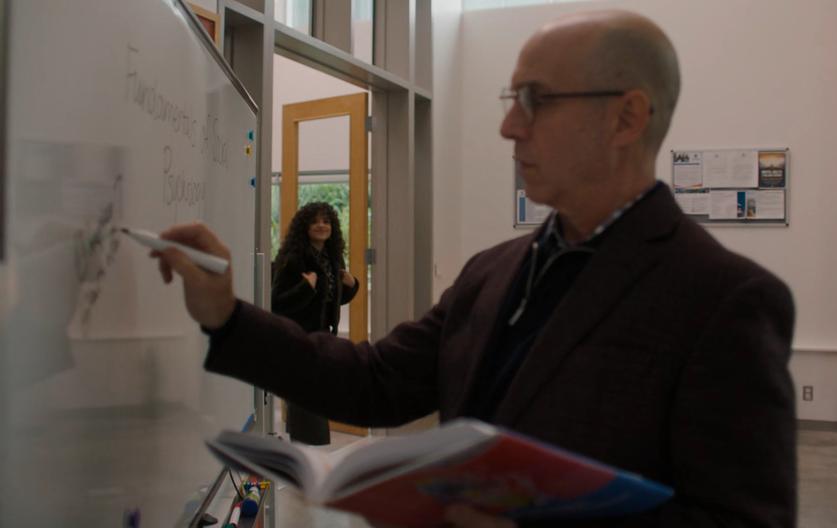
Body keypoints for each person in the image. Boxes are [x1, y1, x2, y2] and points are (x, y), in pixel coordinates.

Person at [153, 10, 796, 527]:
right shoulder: (495, 272)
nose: (509, 126)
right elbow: (376, 381)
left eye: (534, 100)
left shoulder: (723, 299)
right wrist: (228, 316)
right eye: (511, 98)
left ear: (626, 117)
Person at [270, 201, 359, 445]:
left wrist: (352, 286)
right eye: (315, 221)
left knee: (311, 402)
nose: (321, 225)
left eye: (326, 221)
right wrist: (305, 288)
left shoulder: (332, 257)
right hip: (297, 338)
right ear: (305, 227)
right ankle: (306, 461)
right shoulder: (293, 258)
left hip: (322, 338)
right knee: (308, 402)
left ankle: (303, 459)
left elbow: (330, 301)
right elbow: (276, 302)